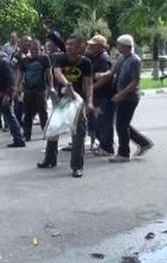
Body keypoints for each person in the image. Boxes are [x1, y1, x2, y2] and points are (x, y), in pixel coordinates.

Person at [37, 35, 93, 178]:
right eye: (67, 44)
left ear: (80, 46)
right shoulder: (58, 57)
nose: (69, 47)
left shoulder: (85, 62)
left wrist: (90, 102)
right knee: (53, 129)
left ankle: (77, 166)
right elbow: (57, 72)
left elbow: (88, 84)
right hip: (62, 101)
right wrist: (67, 84)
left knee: (78, 134)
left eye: (72, 44)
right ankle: (50, 159)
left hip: (77, 102)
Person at [98, 35, 154, 162]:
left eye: (119, 45)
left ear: (126, 46)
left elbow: (135, 82)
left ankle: (123, 153)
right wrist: (100, 75)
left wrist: (121, 94)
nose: (117, 47)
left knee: (121, 125)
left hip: (129, 97)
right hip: (121, 95)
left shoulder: (135, 60)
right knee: (123, 124)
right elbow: (112, 72)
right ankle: (143, 142)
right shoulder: (121, 58)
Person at [87, 35, 116, 156]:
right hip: (98, 96)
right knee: (96, 122)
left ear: (100, 47)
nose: (90, 47)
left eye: (92, 45)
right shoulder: (96, 57)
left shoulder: (104, 59)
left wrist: (91, 88)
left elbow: (105, 79)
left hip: (104, 95)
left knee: (104, 122)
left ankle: (107, 148)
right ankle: (103, 144)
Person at [17, 39, 52, 141]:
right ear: (29, 49)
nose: (34, 51)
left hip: (40, 89)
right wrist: (17, 86)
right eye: (32, 49)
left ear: (39, 49)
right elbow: (20, 74)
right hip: (28, 90)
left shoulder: (44, 59)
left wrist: (51, 86)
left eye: (36, 49)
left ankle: (46, 132)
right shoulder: (24, 60)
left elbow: (49, 73)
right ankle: (27, 134)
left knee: (43, 112)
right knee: (28, 113)